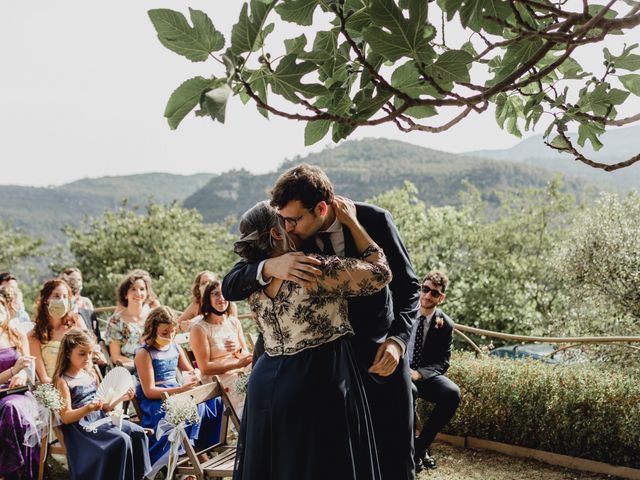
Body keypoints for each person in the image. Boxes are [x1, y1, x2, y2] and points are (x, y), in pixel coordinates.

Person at [223, 164, 420, 480]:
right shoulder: (287, 241)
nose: (289, 227)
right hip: (320, 371)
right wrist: (272, 265)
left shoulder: (374, 220)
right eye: (283, 220)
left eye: (294, 219)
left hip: (377, 354)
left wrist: (397, 340)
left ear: (322, 208)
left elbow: (409, 286)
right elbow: (231, 282)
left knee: (395, 453)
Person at [134, 306, 223, 476]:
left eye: (172, 331)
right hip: (157, 400)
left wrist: (195, 375)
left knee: (213, 401)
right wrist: (181, 389)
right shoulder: (144, 353)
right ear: (153, 330)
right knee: (191, 406)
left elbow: (190, 371)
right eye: (165, 332)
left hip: (177, 391)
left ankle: (205, 445)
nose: (169, 336)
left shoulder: (175, 347)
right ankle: (193, 452)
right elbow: (149, 391)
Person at [54, 328, 151, 480]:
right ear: (67, 353)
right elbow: (66, 417)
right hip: (82, 429)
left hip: (100, 419)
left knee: (137, 432)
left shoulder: (90, 373)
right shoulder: (63, 380)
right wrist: (88, 408)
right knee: (122, 440)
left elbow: (105, 406)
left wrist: (122, 398)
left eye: (90, 353)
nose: (87, 358)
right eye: (82, 353)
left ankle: (138, 476)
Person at [407, 271, 460, 472]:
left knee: (452, 394)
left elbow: (443, 362)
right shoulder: (404, 312)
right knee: (409, 391)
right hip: (400, 373)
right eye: (425, 289)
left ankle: (419, 448)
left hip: (424, 375)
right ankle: (409, 450)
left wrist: (420, 374)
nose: (428, 296)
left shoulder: (445, 324)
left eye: (434, 293)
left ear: (442, 297)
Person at [190, 280, 252, 414]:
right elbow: (205, 368)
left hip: (239, 370)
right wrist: (236, 365)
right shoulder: (200, 328)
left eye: (224, 294)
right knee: (250, 384)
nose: (221, 298)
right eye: (216, 294)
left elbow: (246, 356)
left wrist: (238, 350)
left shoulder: (233, 322)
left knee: (261, 370)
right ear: (208, 298)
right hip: (219, 379)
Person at [0, 294, 39, 480]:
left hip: (19, 393)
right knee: (8, 407)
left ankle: (20, 470)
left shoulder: (16, 334)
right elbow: (16, 367)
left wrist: (22, 373)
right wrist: (12, 371)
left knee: (12, 407)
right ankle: (13, 471)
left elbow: (29, 366)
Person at [28, 279, 86, 383]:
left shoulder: (77, 323)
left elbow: (87, 359)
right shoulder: (34, 335)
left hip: (80, 381)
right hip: (54, 385)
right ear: (46, 299)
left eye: (65, 296)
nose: (61, 300)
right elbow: (43, 377)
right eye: (56, 296)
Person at [105, 270, 155, 369]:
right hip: (129, 370)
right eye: (133, 289)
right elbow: (116, 357)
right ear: (125, 294)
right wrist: (141, 365)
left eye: (142, 289)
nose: (138, 293)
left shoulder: (153, 318)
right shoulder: (115, 321)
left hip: (155, 366)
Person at [60, 268, 101, 341]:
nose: (76, 283)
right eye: (72, 280)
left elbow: (94, 325)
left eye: (79, 280)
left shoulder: (86, 302)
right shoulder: (63, 303)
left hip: (88, 340)